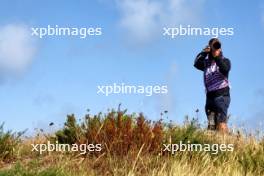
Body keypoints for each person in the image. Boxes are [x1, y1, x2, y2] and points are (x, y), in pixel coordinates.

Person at [194, 38, 231, 133]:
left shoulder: (225, 60)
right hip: (209, 98)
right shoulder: (206, 64)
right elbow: (196, 63)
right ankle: (213, 145)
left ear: (220, 49)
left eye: (218, 46)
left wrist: (217, 57)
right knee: (211, 125)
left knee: (221, 123)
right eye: (213, 46)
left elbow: (225, 69)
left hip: (221, 97)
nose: (216, 48)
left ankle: (225, 144)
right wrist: (204, 52)